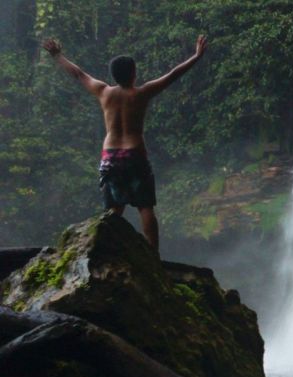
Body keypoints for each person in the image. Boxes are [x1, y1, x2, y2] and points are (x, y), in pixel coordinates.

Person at [41, 35, 208, 251]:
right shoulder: (142, 93)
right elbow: (173, 75)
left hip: (110, 157)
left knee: (113, 208)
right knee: (145, 207)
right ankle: (153, 254)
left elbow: (79, 74)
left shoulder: (103, 92)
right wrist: (196, 56)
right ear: (133, 73)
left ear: (114, 75)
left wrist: (58, 56)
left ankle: (106, 251)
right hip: (135, 154)